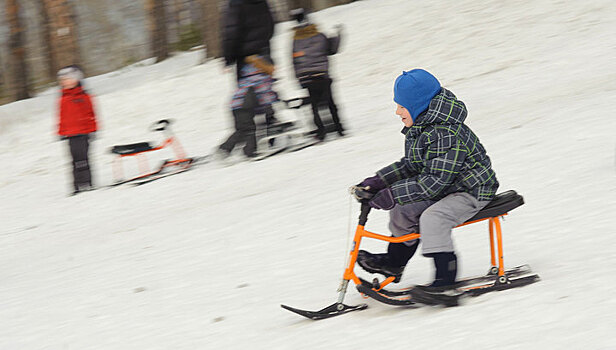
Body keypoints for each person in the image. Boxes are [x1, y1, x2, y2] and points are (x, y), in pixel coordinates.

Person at [354, 69, 499, 301]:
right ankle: (394, 263)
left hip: (472, 189)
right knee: (402, 211)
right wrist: (380, 180)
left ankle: (445, 282)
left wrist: (392, 194)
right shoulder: (422, 127)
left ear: (419, 105)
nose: (397, 111)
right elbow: (412, 165)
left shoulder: (445, 133)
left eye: (402, 106)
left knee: (433, 218)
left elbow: (433, 183)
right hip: (447, 186)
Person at [217, 0, 276, 159]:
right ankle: (271, 137)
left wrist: (228, 57)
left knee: (246, 101)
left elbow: (232, 31)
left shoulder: (235, 3)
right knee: (265, 95)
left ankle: (247, 144)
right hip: (264, 54)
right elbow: (271, 24)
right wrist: (263, 45)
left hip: (246, 59)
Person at [290, 8, 345, 141]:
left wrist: (298, 78)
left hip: (306, 77)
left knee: (314, 106)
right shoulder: (318, 35)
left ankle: (321, 132)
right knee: (330, 103)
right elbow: (332, 49)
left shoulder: (295, 40)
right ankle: (338, 128)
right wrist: (338, 36)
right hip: (321, 74)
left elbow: (294, 60)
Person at [57, 65, 98, 195]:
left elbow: (91, 114)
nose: (64, 82)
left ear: (75, 79)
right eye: (62, 80)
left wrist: (93, 129)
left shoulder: (84, 96)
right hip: (70, 134)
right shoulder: (63, 99)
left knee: (84, 159)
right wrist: (61, 132)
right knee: (74, 161)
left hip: (83, 133)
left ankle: (88, 183)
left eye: (67, 79)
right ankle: (76, 186)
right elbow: (62, 117)